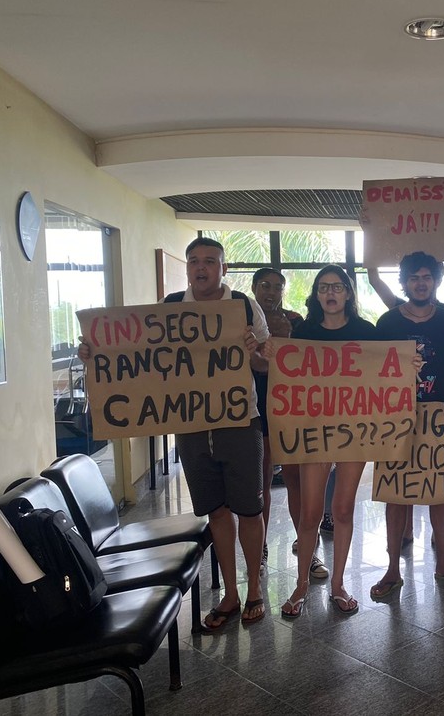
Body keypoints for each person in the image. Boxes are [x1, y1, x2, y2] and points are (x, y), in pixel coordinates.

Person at [80, 237, 270, 630]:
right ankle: (230, 595)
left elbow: (267, 366)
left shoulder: (244, 308)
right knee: (215, 510)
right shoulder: (168, 309)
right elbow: (137, 357)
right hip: (190, 426)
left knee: (249, 510)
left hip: (240, 421)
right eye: (195, 261)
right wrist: (95, 354)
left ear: (224, 267)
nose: (202, 268)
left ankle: (254, 589)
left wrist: (253, 351)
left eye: (210, 262)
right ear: (187, 267)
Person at [370, 252, 444, 598]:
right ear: (403, 282)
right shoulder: (386, 324)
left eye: (427, 277)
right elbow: (373, 376)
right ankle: (391, 569)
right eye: (414, 277)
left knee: (440, 489)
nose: (420, 283)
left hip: (439, 416)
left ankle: (443, 564)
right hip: (396, 419)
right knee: (395, 493)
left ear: (435, 282)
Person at [281, 265, 379, 617]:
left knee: (343, 509)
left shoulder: (366, 332)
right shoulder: (303, 332)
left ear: (349, 293)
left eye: (337, 287)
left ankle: (337, 584)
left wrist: (407, 364)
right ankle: (301, 583)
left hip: (355, 430)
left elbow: (385, 371)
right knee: (310, 512)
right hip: (315, 431)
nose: (331, 293)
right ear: (317, 294)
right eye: (324, 287)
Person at [249, 268, 329, 580]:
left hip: (294, 409)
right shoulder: (244, 324)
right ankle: (260, 549)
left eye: (277, 287)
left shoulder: (297, 322)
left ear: (284, 290)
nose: (271, 292)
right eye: (265, 286)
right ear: (254, 288)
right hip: (258, 409)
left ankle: (308, 548)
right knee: (262, 481)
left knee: (296, 479)